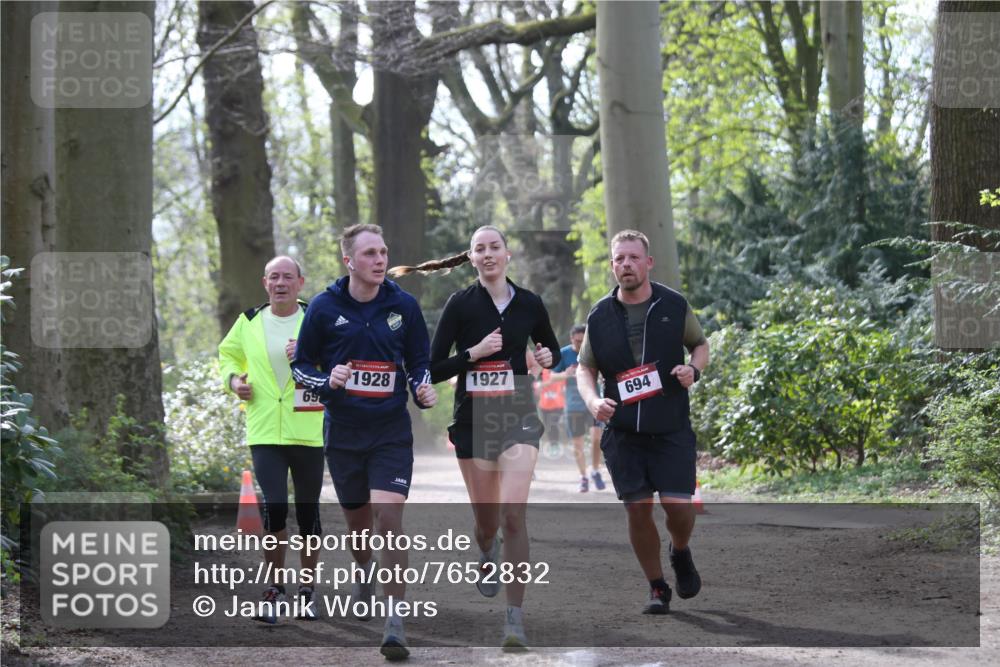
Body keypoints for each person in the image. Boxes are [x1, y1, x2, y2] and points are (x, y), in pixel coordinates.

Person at [389, 225, 561, 651]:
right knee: (488, 524)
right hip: (473, 417)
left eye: (494, 247)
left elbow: (551, 351)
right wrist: (474, 354)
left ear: (507, 255)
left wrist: (545, 356)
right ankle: (487, 549)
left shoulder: (529, 303)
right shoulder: (461, 304)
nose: (488, 255)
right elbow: (430, 366)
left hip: (517, 412)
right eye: (479, 249)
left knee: (514, 516)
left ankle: (514, 621)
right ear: (470, 257)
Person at [291, 224, 437, 661]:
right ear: (349, 260)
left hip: (390, 432)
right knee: (360, 530)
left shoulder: (403, 306)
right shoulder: (322, 307)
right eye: (370, 253)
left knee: (389, 517)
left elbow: (418, 360)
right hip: (344, 434)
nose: (380, 260)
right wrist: (326, 378)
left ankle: (395, 622)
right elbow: (301, 365)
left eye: (384, 252)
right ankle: (363, 568)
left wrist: (422, 387)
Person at [575, 230, 710, 615]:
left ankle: (680, 551)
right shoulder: (600, 315)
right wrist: (592, 399)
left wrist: (693, 369)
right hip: (623, 431)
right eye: (619, 259)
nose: (626, 265)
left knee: (679, 509)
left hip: (670, 426)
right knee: (637, 508)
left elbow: (699, 344)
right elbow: (586, 368)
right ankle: (656, 586)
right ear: (612, 264)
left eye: (633, 258)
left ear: (648, 263)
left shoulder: (673, 303)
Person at [218, 256, 324, 624]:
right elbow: (227, 355)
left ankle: (307, 591)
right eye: (274, 277)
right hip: (264, 428)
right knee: (274, 506)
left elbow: (342, 359)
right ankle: (275, 590)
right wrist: (234, 381)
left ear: (300, 282)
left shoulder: (317, 317)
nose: (281, 283)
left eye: (288, 277)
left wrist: (312, 357)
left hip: (309, 428)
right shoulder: (248, 321)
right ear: (265, 283)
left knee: (308, 510)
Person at [548, 324, 606, 492]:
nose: (581, 344)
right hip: (573, 405)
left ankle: (595, 470)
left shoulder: (593, 350)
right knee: (578, 444)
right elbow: (551, 376)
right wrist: (565, 374)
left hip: (593, 402)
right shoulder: (564, 353)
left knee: (597, 439)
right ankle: (583, 477)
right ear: (571, 339)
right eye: (578, 341)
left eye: (583, 341)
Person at [534, 366, 565, 459]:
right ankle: (553, 445)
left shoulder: (560, 371)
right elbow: (537, 386)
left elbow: (565, 385)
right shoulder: (542, 372)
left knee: (553, 424)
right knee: (548, 426)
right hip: (544, 405)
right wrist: (547, 383)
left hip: (558, 405)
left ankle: (555, 445)